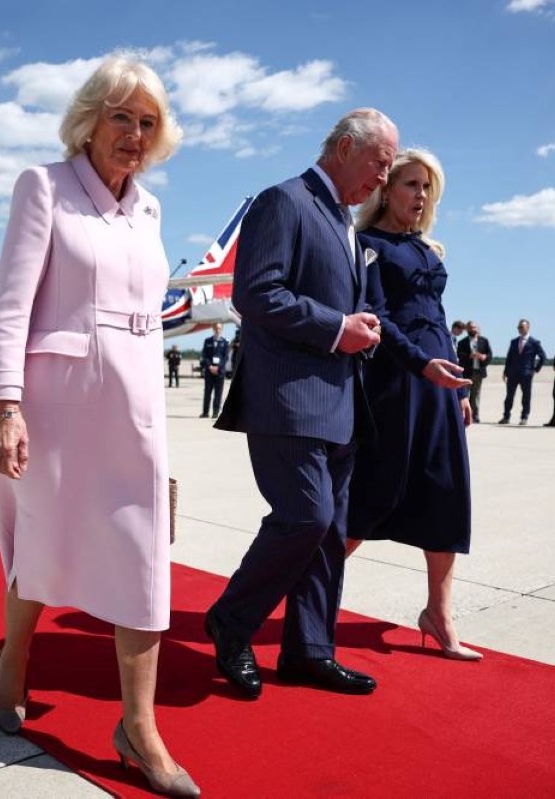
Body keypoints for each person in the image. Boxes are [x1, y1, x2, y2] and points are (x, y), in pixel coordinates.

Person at [0, 57, 197, 797]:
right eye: (121, 117)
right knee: (44, 540)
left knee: (143, 552)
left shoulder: (150, 209)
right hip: (57, 404)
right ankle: (13, 660)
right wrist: (6, 407)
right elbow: (12, 304)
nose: (134, 133)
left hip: (133, 406)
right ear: (90, 120)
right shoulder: (44, 186)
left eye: (147, 122)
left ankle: (139, 726)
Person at [210, 107, 396, 700]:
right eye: (380, 163)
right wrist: (337, 328)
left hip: (340, 402)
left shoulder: (344, 220)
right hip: (288, 398)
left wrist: (361, 327)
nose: (384, 179)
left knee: (328, 533)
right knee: (305, 517)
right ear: (345, 148)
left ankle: (309, 650)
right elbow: (255, 292)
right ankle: (231, 621)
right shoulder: (285, 202)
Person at [347, 148, 480, 661]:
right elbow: (378, 317)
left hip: (440, 384)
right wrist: (422, 365)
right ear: (386, 190)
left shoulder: (429, 251)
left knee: (445, 491)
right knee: (373, 492)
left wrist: (459, 390)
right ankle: (307, 593)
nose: (421, 195)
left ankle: (439, 614)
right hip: (395, 381)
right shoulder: (366, 245)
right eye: (410, 184)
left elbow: (438, 319)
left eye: (427, 187)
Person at [498, 318, 546, 425]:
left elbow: (543, 357)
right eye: (518, 327)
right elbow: (509, 357)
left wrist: (535, 369)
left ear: (528, 328)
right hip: (513, 373)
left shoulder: (534, 342)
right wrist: (505, 371)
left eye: (522, 327)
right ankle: (506, 417)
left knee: (526, 397)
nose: (519, 329)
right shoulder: (514, 342)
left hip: (526, 374)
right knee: (509, 396)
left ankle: (524, 417)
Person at [457, 320, 492, 423]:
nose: (472, 329)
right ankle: (463, 415)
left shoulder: (484, 341)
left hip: (479, 372)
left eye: (474, 327)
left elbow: (490, 355)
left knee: (476, 395)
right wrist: (469, 356)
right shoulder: (462, 342)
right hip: (466, 372)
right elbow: (459, 355)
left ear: (477, 328)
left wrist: (484, 357)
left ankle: (475, 415)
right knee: (464, 394)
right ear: (467, 329)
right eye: (470, 327)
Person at [198, 322, 228, 418]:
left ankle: (215, 412)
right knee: (207, 392)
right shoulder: (207, 341)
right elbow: (205, 355)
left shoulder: (225, 342)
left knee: (218, 393)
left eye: (219, 328)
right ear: (213, 329)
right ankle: (205, 412)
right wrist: (210, 366)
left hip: (219, 372)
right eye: (216, 328)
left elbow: (225, 357)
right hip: (209, 371)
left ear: (221, 330)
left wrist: (218, 367)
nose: (217, 330)